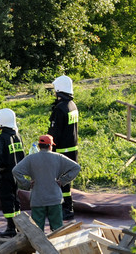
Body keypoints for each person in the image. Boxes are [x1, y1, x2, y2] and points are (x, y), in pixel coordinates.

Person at [13, 134, 82, 234]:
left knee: (36, 231)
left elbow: (16, 171)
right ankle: (57, 248)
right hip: (54, 199)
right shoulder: (58, 157)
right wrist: (63, 181)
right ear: (50, 146)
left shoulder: (31, 158)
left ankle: (37, 249)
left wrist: (27, 184)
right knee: (57, 230)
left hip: (37, 199)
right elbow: (76, 167)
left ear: (39, 146)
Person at [48, 75, 79, 220]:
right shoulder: (72, 105)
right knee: (66, 182)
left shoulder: (60, 109)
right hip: (72, 149)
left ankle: (66, 209)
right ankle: (68, 207)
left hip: (61, 151)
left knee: (61, 183)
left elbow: (55, 132)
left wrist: (47, 146)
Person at [0, 108, 26, 237]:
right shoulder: (17, 136)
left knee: (7, 199)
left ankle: (11, 228)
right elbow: (22, 155)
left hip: (5, 174)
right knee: (15, 199)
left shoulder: (1, 139)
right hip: (17, 174)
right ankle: (18, 225)